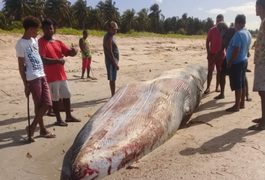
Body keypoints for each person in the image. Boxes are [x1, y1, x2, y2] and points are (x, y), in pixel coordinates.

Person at [16, 16, 56, 141]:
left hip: (41, 74)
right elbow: (21, 66)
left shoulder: (34, 41)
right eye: (37, 30)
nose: (38, 32)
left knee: (47, 104)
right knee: (38, 104)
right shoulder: (20, 44)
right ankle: (41, 130)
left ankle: (32, 127)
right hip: (32, 78)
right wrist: (25, 85)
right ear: (30, 29)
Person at [38, 19, 81, 126]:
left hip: (61, 75)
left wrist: (74, 50)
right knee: (55, 98)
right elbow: (42, 59)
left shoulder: (58, 42)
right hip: (50, 76)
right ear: (43, 29)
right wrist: (58, 60)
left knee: (67, 95)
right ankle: (58, 119)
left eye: (51, 28)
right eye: (47, 29)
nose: (49, 31)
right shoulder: (41, 42)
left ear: (54, 29)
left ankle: (68, 116)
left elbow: (68, 53)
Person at [211, 22, 252, 101]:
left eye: (219, 30)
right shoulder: (223, 37)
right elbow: (220, 50)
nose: (219, 32)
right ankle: (222, 93)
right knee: (222, 73)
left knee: (242, 76)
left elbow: (243, 40)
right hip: (228, 58)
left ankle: (247, 94)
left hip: (238, 58)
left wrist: (247, 51)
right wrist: (213, 61)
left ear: (223, 28)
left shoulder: (234, 31)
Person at [225, 14, 252, 112]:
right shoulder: (248, 33)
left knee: (237, 84)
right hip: (244, 60)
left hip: (237, 62)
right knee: (242, 82)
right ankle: (242, 103)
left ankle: (236, 105)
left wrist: (230, 62)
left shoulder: (238, 34)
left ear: (237, 23)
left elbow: (236, 50)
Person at [249, 0, 265, 130]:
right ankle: (264, 118)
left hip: (263, 62)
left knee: (263, 91)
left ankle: (264, 122)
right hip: (261, 61)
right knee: (262, 91)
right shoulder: (263, 22)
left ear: (260, 7)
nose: (255, 9)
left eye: (256, 7)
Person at [204, 14, 225, 94]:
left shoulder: (224, 31)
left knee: (219, 71)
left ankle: (217, 87)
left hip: (221, 55)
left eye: (220, 21)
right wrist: (208, 53)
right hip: (212, 54)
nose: (219, 23)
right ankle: (208, 87)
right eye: (217, 21)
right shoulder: (211, 30)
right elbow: (207, 41)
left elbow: (226, 43)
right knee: (210, 71)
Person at [103, 21, 120, 97]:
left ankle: (113, 94)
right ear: (110, 29)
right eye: (114, 29)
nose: (116, 31)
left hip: (113, 61)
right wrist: (115, 64)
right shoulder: (108, 37)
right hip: (111, 62)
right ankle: (113, 95)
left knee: (113, 78)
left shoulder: (112, 36)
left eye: (116, 29)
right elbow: (109, 52)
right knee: (112, 79)